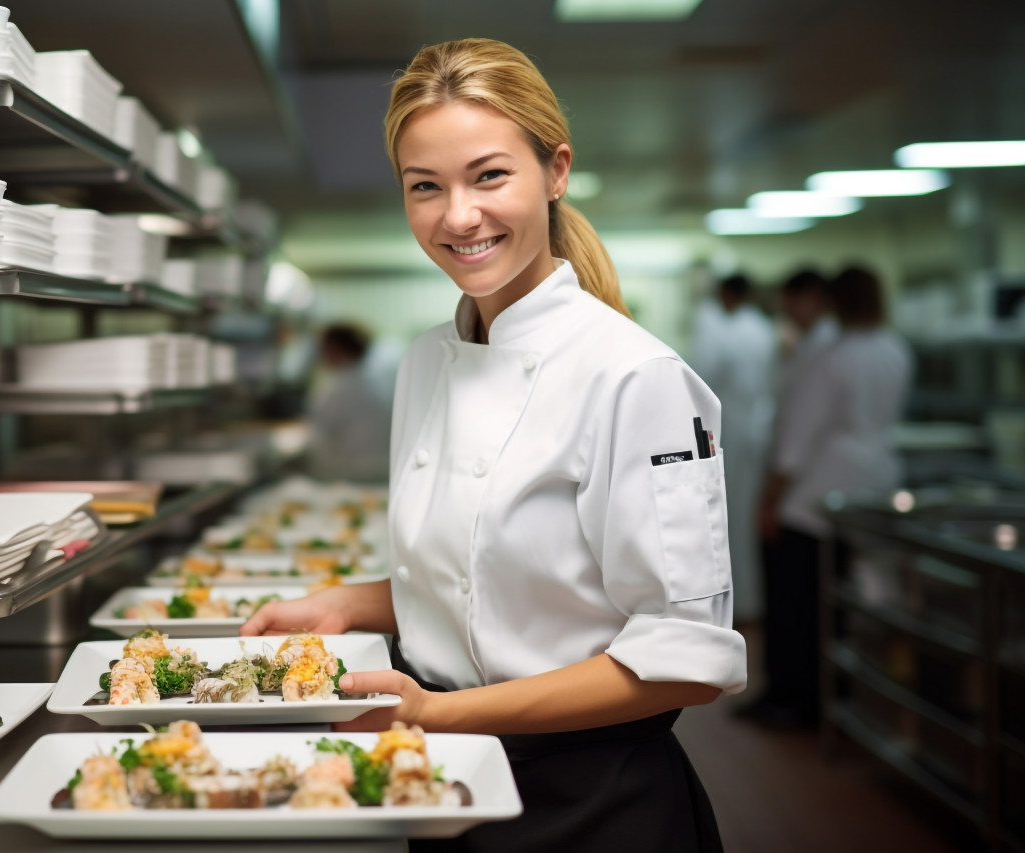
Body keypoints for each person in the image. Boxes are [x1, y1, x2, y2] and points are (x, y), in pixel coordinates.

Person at [243, 38, 745, 852]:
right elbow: (484, 580)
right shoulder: (424, 362)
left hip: (591, 804)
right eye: (425, 187)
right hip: (447, 781)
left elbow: (684, 659)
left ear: (555, 172)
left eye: (489, 176)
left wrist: (440, 712)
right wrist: (339, 603)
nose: (458, 216)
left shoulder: (635, 376)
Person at [750, 265, 913, 728]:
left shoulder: (830, 356)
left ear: (833, 301)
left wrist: (769, 500)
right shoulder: (893, 350)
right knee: (841, 605)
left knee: (798, 606)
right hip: (875, 483)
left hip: (816, 496)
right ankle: (836, 693)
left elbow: (798, 439)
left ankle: (794, 698)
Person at [690, 273, 775, 623]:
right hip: (754, 433)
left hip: (727, 434)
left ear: (727, 295)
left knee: (728, 521)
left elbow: (700, 377)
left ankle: (737, 603)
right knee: (741, 520)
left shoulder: (719, 329)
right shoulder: (762, 328)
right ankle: (749, 601)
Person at [306, 322, 392, 482]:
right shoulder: (378, 380)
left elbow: (321, 431)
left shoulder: (338, 387)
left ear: (335, 348)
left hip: (351, 474)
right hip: (381, 469)